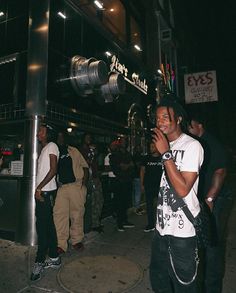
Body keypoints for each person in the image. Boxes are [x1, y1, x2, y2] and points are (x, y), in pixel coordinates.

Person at [149, 95, 204, 293]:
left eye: (165, 117)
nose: (159, 122)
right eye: (157, 118)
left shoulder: (192, 146)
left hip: (183, 236)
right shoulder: (166, 146)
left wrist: (165, 154)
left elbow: (182, 189)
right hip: (161, 231)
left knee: (185, 287)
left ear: (178, 119)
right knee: (160, 283)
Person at [188, 113, 231, 293]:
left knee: (213, 244)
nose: (188, 130)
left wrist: (210, 199)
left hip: (217, 200)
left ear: (200, 126)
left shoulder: (210, 143)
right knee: (207, 242)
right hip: (210, 200)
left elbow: (220, 171)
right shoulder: (200, 143)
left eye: (191, 126)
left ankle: (212, 288)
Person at [30, 123, 60, 282]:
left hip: (45, 193)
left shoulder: (52, 146)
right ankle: (54, 258)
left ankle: (39, 261)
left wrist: (40, 188)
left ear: (48, 134)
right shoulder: (45, 149)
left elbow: (53, 169)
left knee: (42, 228)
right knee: (48, 226)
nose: (38, 133)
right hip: (44, 192)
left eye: (41, 131)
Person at [53, 131, 89, 255]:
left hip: (76, 186)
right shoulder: (54, 151)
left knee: (77, 214)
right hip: (61, 187)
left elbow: (85, 167)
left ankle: (76, 240)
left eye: (63, 137)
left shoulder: (73, 150)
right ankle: (60, 244)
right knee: (59, 215)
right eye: (59, 137)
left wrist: (83, 184)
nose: (61, 139)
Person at [80, 133, 104, 233]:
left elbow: (96, 162)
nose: (89, 139)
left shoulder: (93, 149)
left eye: (90, 137)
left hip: (94, 177)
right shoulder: (81, 150)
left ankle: (95, 222)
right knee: (92, 201)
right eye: (87, 137)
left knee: (99, 200)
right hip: (86, 178)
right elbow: (84, 163)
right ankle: (92, 224)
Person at [109, 137, 135, 231]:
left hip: (127, 181)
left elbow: (132, 166)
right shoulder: (115, 155)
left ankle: (124, 221)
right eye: (123, 142)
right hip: (119, 182)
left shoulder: (127, 154)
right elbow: (118, 168)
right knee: (119, 203)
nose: (124, 143)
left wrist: (125, 166)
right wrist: (127, 166)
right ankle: (120, 223)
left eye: (125, 142)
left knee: (126, 202)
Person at [140, 141, 162, 232]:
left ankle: (161, 224)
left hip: (160, 186)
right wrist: (142, 184)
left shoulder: (162, 158)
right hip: (149, 185)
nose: (151, 148)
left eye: (153, 146)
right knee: (149, 206)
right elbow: (142, 171)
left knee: (161, 206)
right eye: (150, 147)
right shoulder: (146, 158)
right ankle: (150, 224)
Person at [133, 145, 145, 215]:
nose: (140, 150)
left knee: (137, 193)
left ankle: (137, 207)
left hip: (136, 176)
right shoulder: (137, 157)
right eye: (139, 148)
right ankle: (137, 208)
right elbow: (139, 166)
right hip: (137, 176)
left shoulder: (135, 156)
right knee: (138, 193)